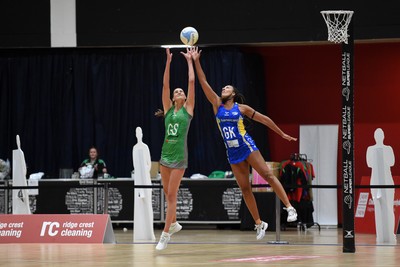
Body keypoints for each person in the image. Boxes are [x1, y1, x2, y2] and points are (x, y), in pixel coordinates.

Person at [190, 47, 297, 240]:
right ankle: (259, 223)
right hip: (232, 152)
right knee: (245, 189)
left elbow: (264, 119)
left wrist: (281, 133)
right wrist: (196, 61)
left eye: (227, 88)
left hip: (246, 146)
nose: (223, 89)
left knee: (267, 175)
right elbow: (203, 82)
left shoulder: (242, 108)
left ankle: (289, 207)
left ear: (233, 94)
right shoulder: (217, 105)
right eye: (223, 88)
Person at [156, 47, 195, 250]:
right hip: (164, 157)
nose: (179, 92)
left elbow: (191, 82)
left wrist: (190, 61)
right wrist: (168, 62)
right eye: (176, 92)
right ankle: (174, 223)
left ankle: (164, 235)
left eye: (181, 91)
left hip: (179, 158)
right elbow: (165, 85)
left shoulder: (188, 110)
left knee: (172, 196)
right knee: (166, 193)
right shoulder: (169, 110)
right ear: (172, 98)